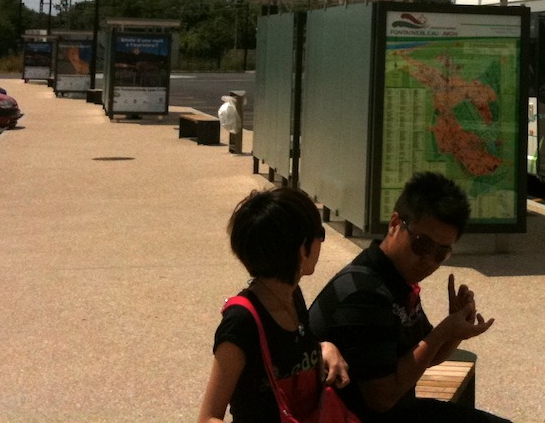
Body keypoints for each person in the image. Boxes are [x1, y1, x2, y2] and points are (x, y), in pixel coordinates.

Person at [308, 172, 511, 423]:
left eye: (441, 253)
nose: (428, 260)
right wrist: (444, 332)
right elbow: (382, 398)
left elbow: (423, 356)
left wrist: (456, 329)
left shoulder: (396, 279)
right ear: (395, 224)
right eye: (422, 244)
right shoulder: (364, 292)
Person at [198, 186, 349, 423]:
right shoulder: (241, 322)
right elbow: (208, 417)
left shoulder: (292, 296)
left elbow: (288, 353)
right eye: (319, 234)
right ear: (302, 250)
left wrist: (323, 348)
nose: (321, 242)